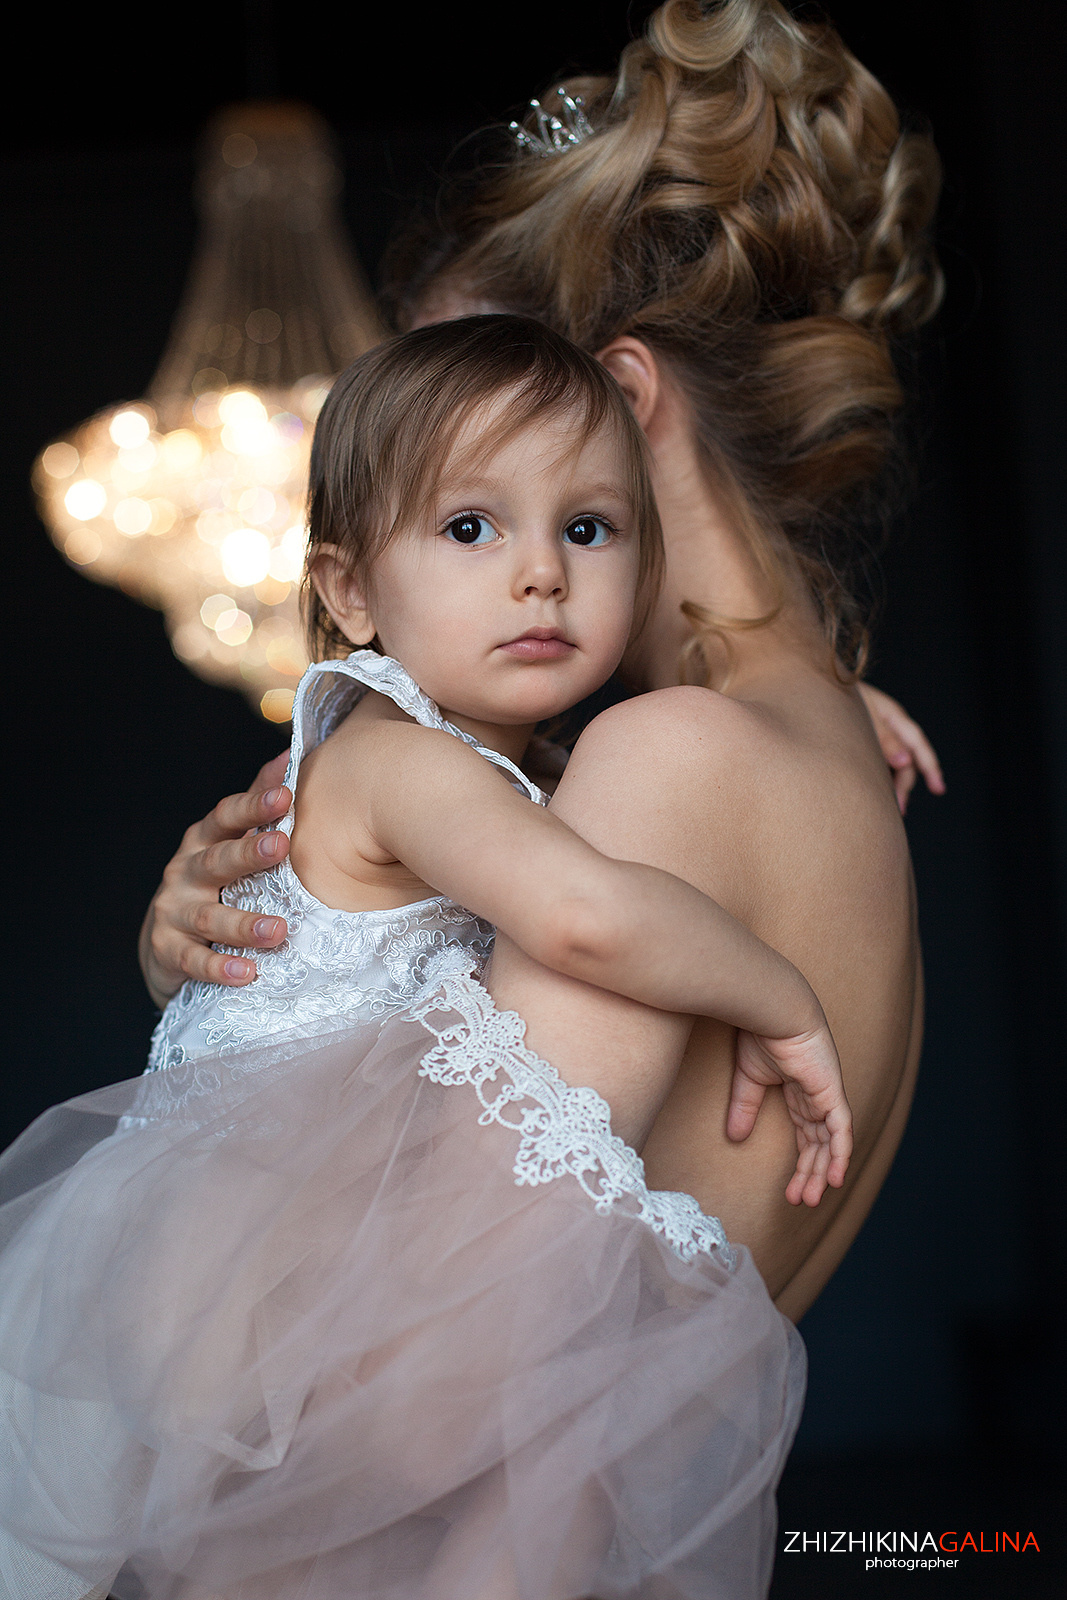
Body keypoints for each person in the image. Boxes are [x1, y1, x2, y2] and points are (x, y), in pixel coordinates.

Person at [0, 315, 852, 1600]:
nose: (540, 577)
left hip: (251, 1280)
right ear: (348, 590)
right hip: (249, 1288)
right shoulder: (400, 760)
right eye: (470, 528)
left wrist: (829, 705)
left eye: (587, 528)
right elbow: (582, 915)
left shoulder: (456, 767)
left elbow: (234, 967)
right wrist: (777, 994)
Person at [142, 0, 944, 1322]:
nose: (467, 558)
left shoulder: (670, 758)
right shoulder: (823, 759)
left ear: (621, 402)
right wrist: (240, 967)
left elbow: (408, 1392)